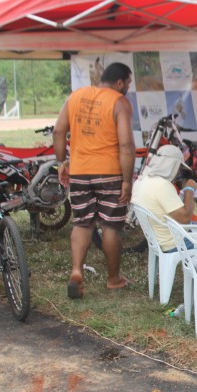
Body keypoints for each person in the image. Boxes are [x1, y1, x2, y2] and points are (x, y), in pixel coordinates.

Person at [53, 62, 136, 299]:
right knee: (110, 226)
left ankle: (77, 271)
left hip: (79, 171)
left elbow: (59, 132)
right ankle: (113, 279)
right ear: (120, 82)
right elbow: (127, 145)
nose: (128, 88)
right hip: (110, 172)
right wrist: (127, 182)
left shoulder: (75, 97)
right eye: (128, 83)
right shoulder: (120, 102)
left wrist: (61, 164)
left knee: (82, 223)